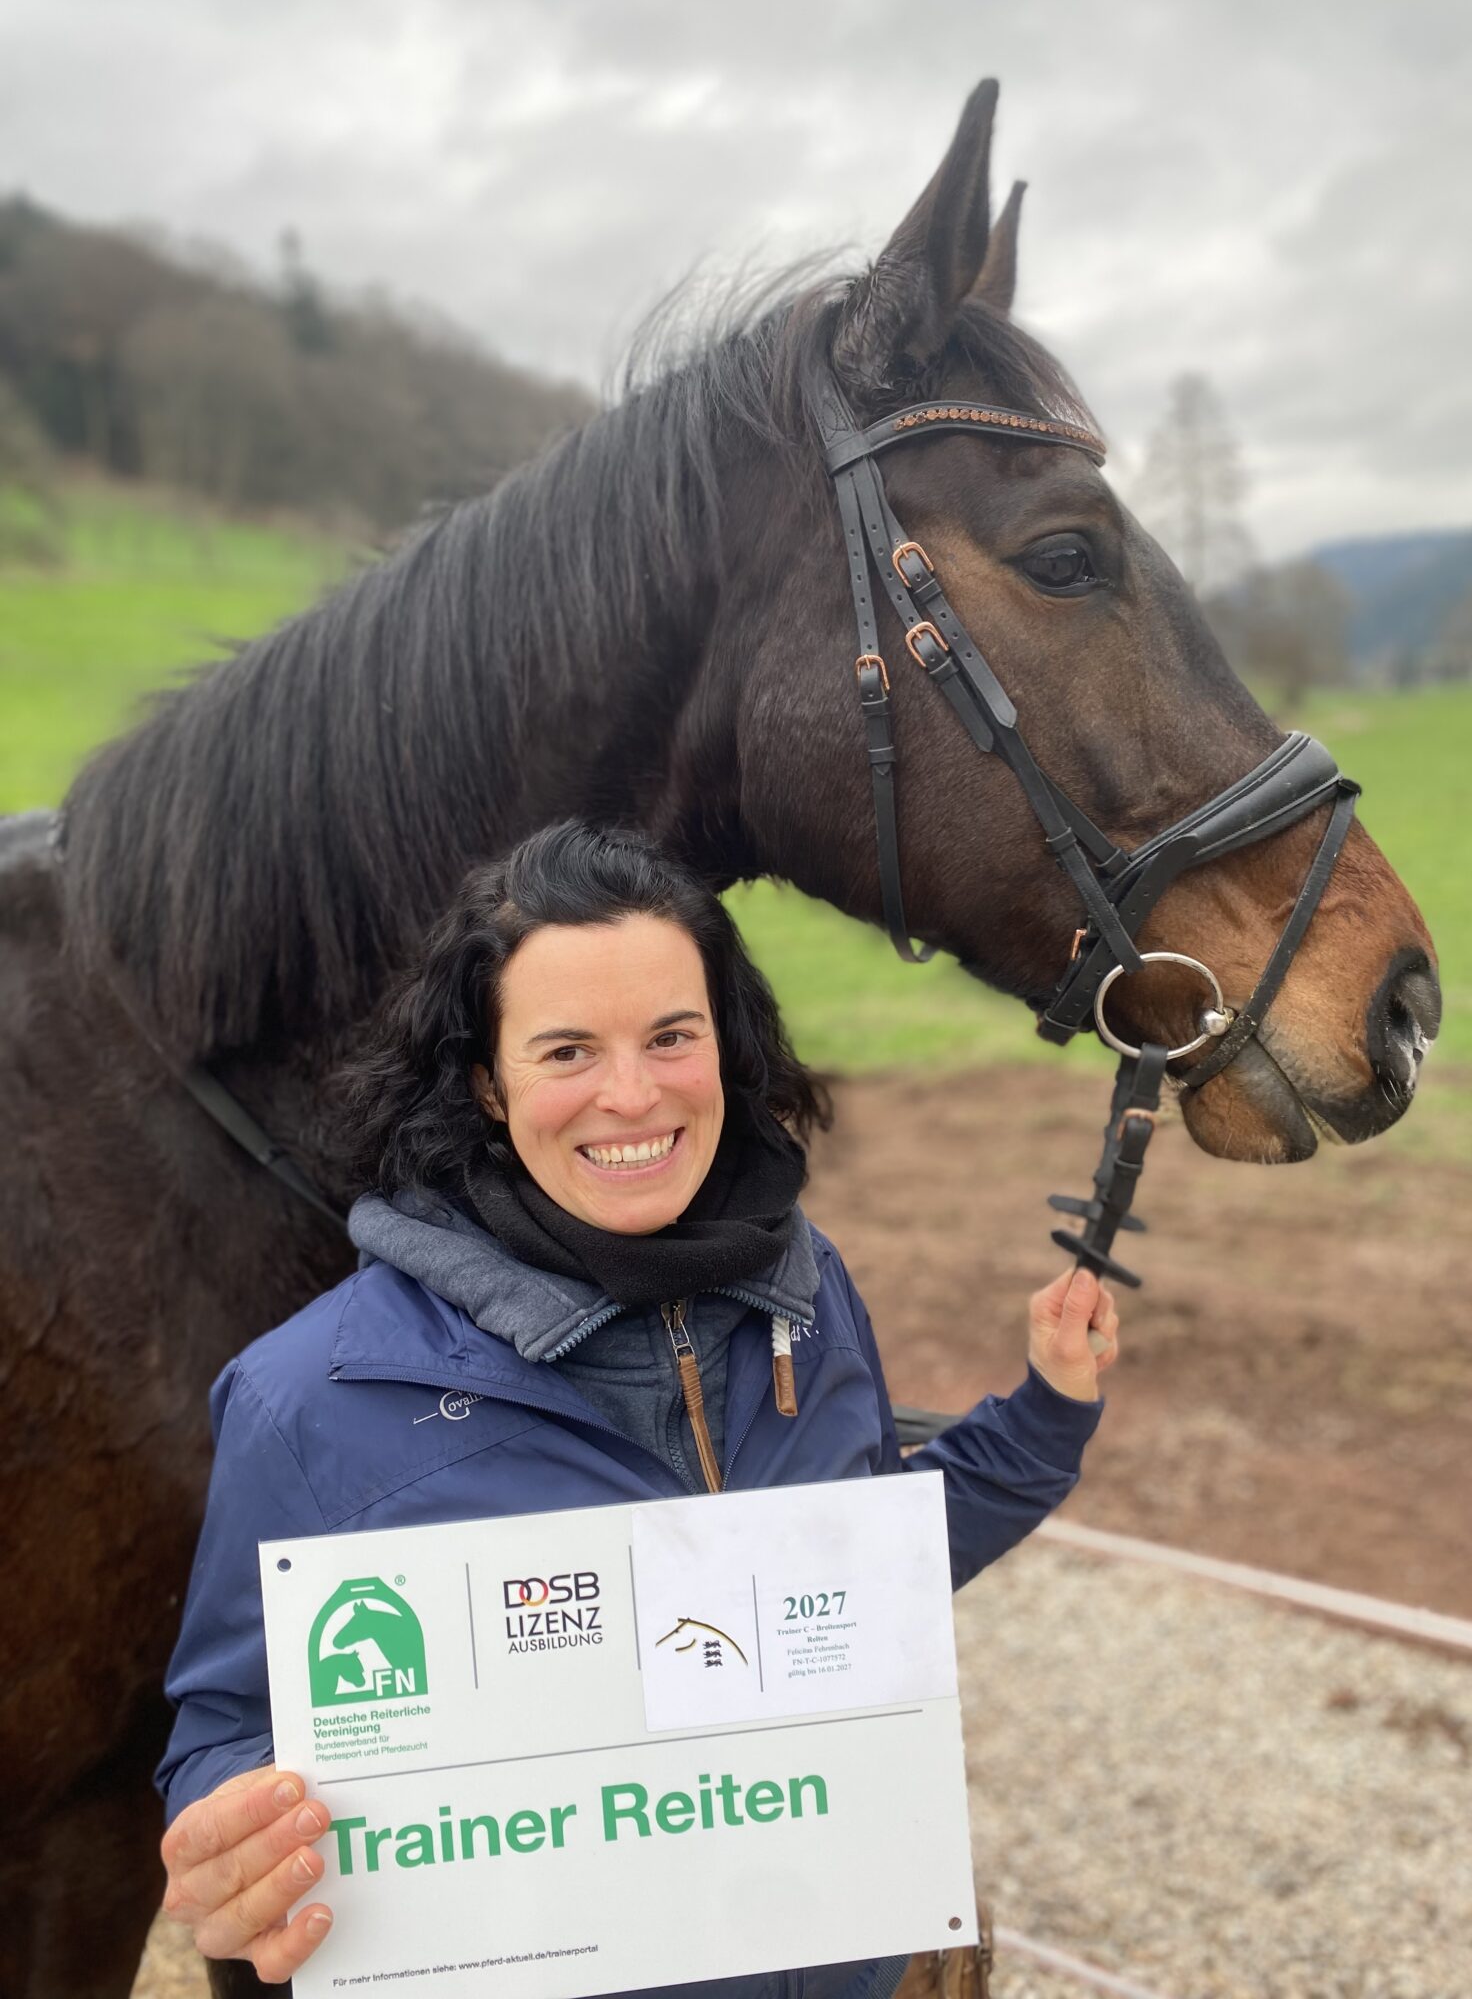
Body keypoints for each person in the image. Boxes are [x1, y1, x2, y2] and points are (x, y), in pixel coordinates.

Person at [155, 821, 1119, 1998]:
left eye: (672, 1035)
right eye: (566, 1049)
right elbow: (224, 1729)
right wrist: (236, 1837)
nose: (631, 1093)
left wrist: (1047, 1414)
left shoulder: (806, 1298)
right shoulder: (307, 1401)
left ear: (727, 1046)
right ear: (486, 1085)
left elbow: (864, 1575)